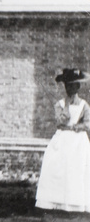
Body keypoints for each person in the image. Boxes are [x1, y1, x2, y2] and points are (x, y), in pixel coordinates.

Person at [36, 68, 90, 213]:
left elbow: (88, 124)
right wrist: (67, 105)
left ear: (78, 87)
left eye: (72, 85)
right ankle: (56, 202)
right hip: (62, 139)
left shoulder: (84, 105)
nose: (69, 89)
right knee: (56, 167)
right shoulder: (59, 104)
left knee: (75, 170)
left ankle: (75, 203)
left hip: (77, 141)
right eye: (67, 85)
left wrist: (77, 127)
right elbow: (60, 122)